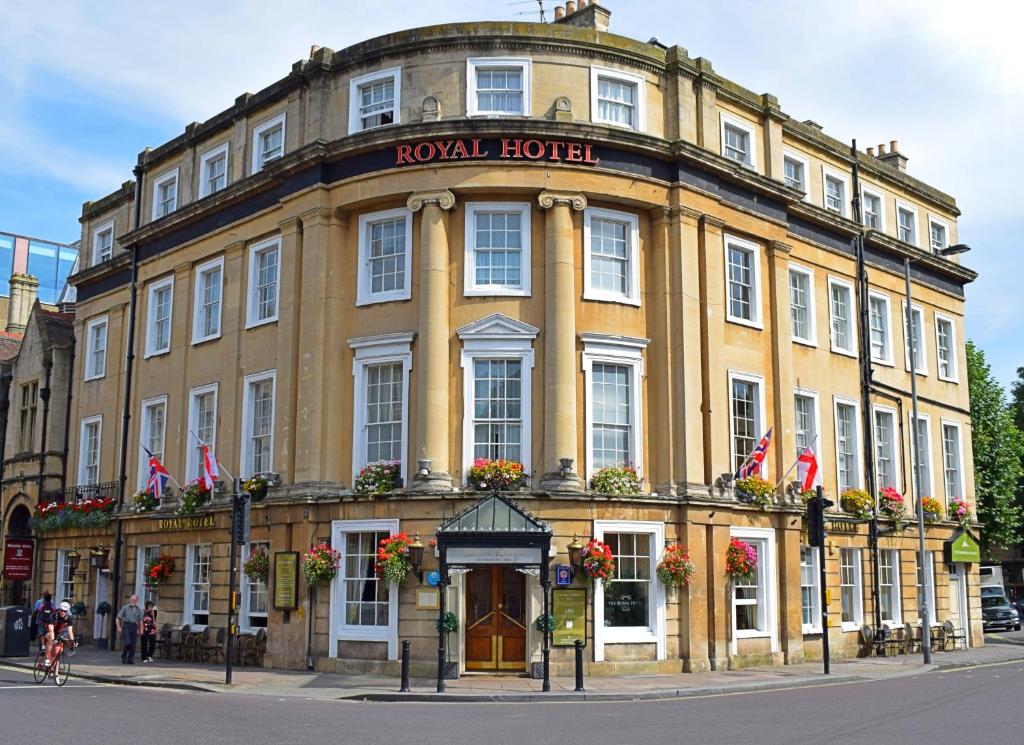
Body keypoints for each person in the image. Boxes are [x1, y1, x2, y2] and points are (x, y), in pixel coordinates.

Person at [116, 594, 144, 664]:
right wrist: (118, 627)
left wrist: (141, 629)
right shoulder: (125, 608)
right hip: (126, 625)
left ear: (137, 600)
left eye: (135, 599)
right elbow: (117, 618)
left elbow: (140, 621)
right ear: (130, 600)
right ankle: (124, 655)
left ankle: (130, 659)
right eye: (132, 599)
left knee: (133, 644)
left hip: (134, 626)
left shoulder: (138, 610)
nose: (133, 601)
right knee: (127, 642)